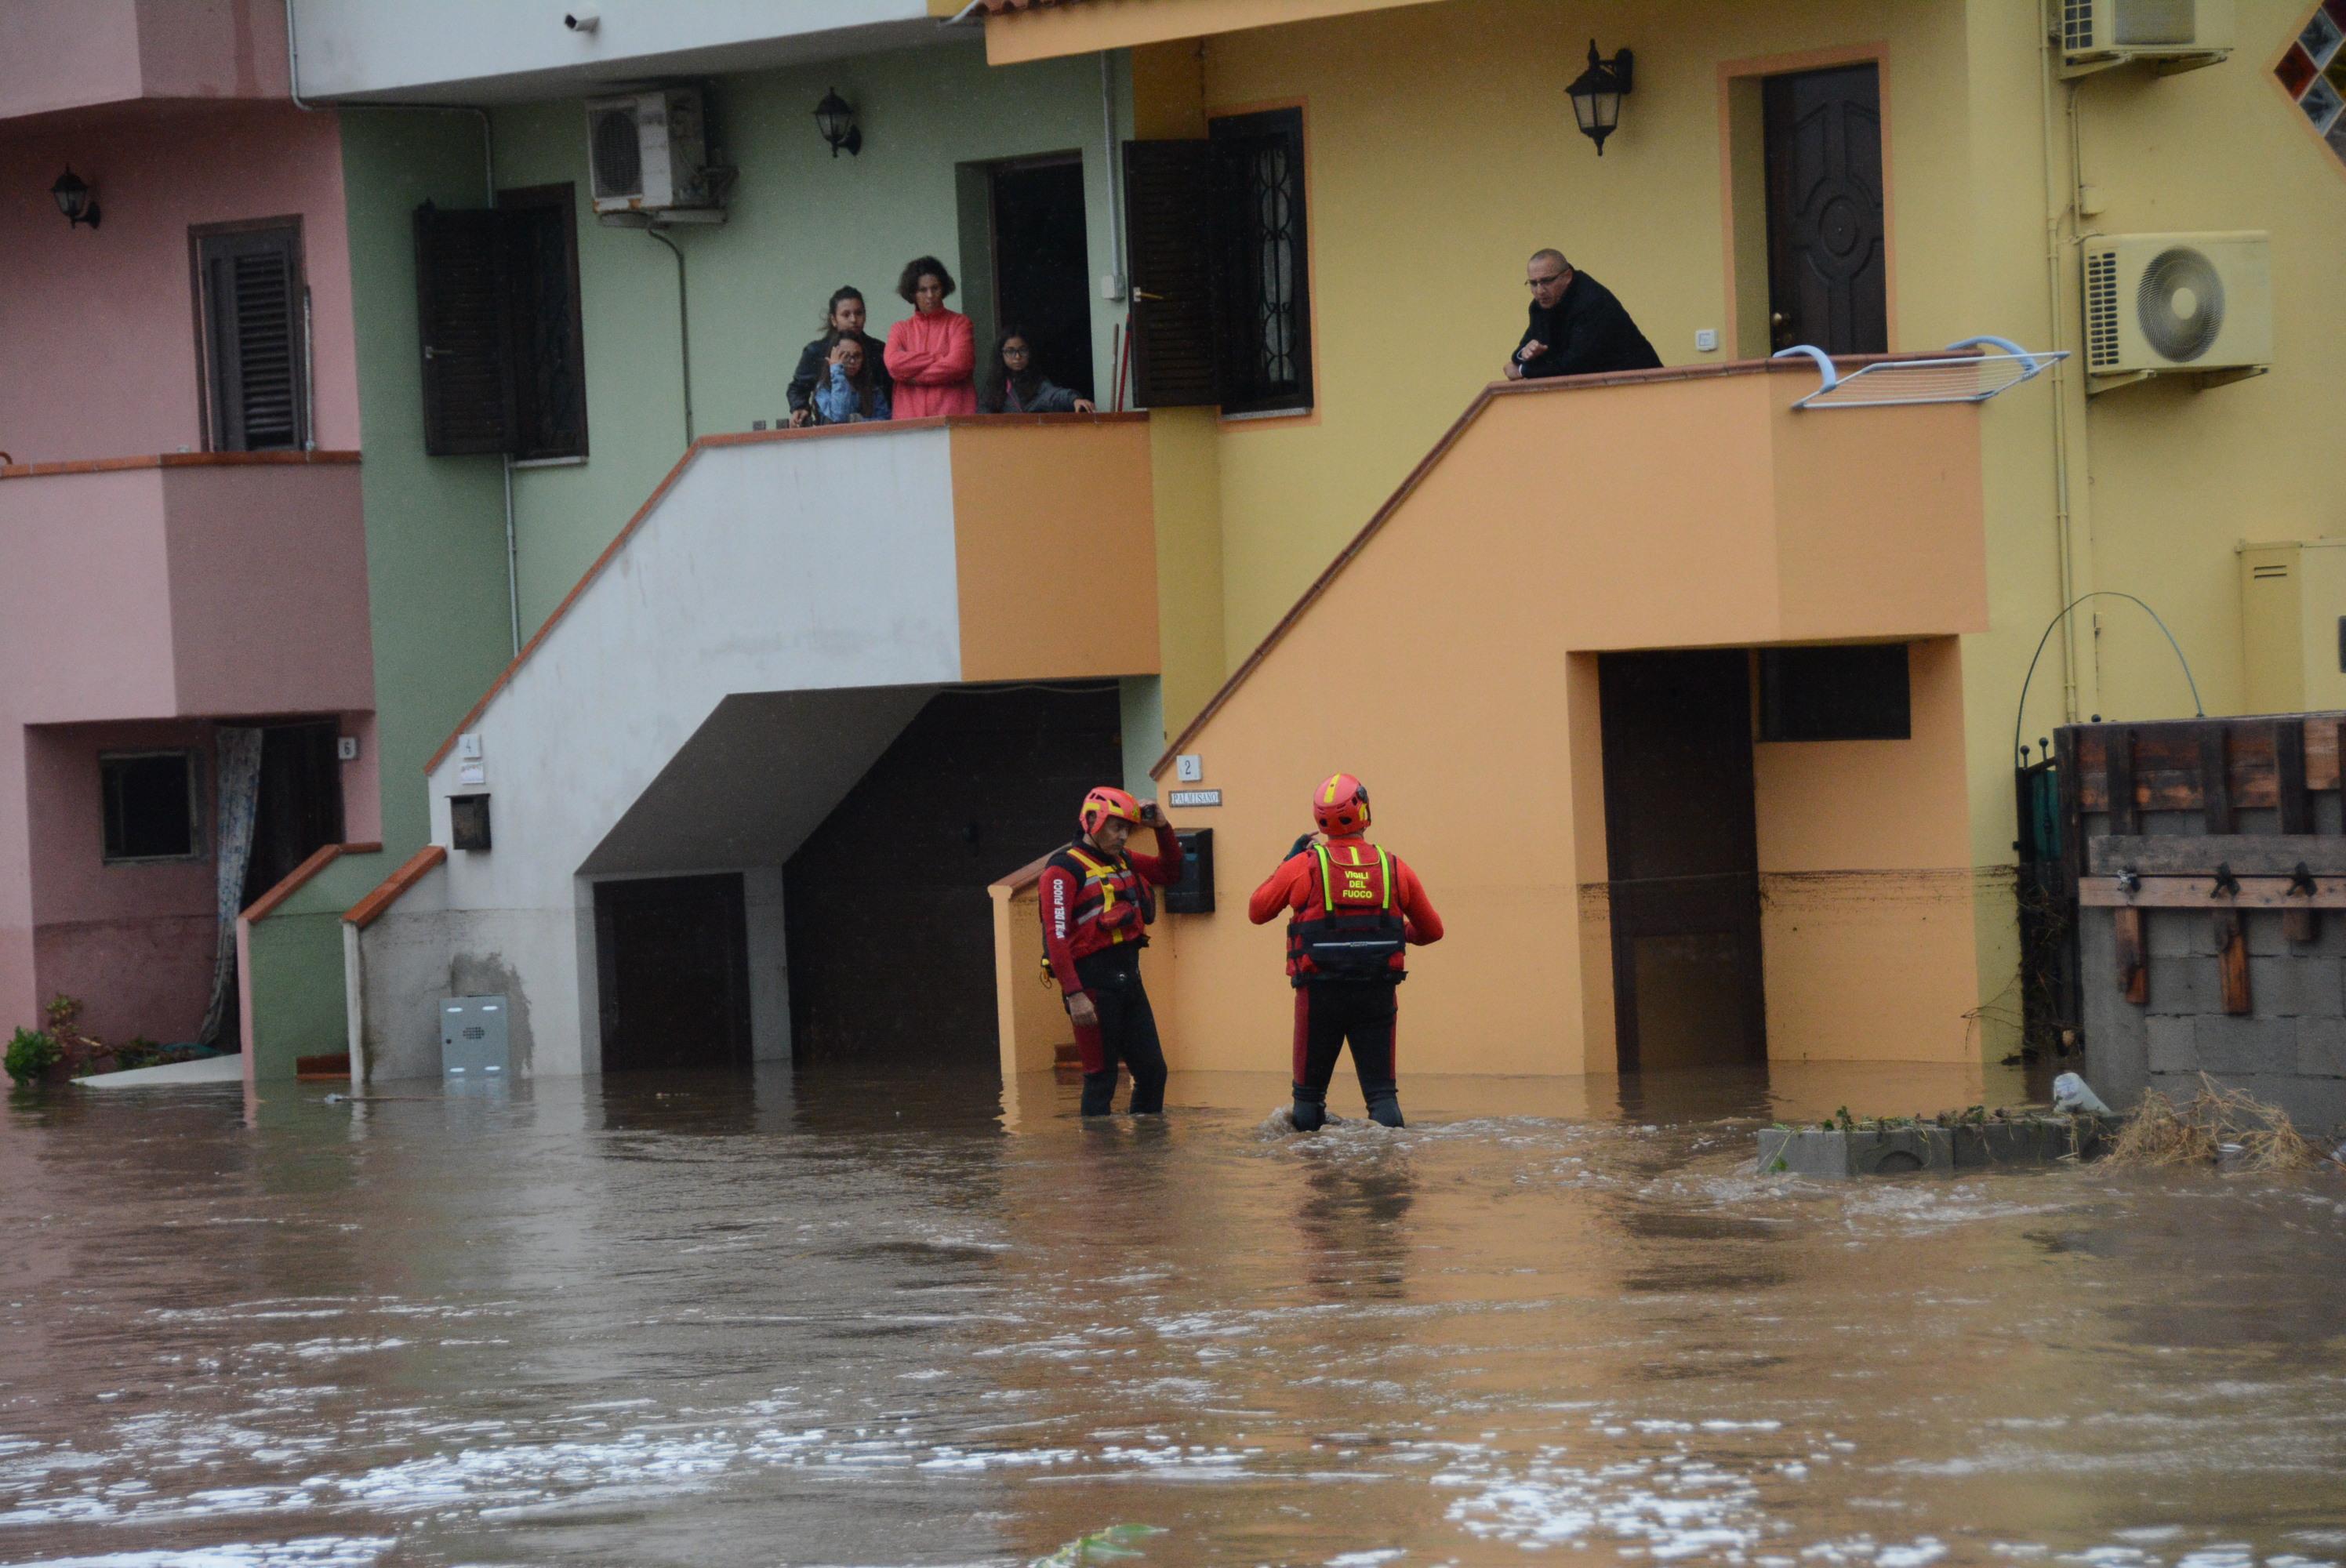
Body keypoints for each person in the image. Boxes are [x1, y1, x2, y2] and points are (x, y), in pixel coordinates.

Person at [1247, 773, 1443, 1132]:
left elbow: (1257, 912)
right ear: (1364, 811)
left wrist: (1286, 860)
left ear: (1319, 819)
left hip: (1319, 995)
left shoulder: (1302, 866)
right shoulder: (1395, 868)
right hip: (1377, 994)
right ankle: (1389, 1177)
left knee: (1307, 1101)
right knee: (1383, 1098)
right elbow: (1433, 931)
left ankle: (1315, 1182)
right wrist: (1395, 934)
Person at [1039, 786, 1182, 1117]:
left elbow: (1171, 873)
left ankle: (1141, 1160)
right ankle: (1101, 1164)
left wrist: (1163, 829)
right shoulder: (1062, 870)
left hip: (1129, 982)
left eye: (1127, 829)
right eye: (1116, 827)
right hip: (1091, 987)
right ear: (1092, 821)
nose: (1123, 837)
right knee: (1101, 1079)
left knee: (1152, 1073)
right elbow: (1055, 937)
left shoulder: (1125, 861)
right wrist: (1075, 995)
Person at [1505, 248, 1661, 381]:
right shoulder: (1541, 305)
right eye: (1533, 283)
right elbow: (1522, 349)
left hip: (1640, 384)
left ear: (1567, 277)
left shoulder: (1593, 302)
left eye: (1547, 281)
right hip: (1603, 388)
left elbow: (1574, 365)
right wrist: (1524, 355)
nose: (1539, 291)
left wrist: (1522, 371)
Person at [882, 256, 978, 417]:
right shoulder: (900, 329)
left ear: (943, 289)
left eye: (935, 288)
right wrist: (939, 357)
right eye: (923, 290)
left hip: (953, 418)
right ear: (913, 294)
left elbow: (958, 365)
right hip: (910, 421)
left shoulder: (960, 323)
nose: (930, 295)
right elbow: (893, 364)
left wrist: (914, 377)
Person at [788, 287, 891, 427]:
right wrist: (800, 407)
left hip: (874, 431)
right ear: (834, 319)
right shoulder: (817, 351)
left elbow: (889, 391)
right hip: (830, 431)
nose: (854, 320)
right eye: (846, 314)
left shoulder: (877, 349)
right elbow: (799, 387)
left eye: (859, 313)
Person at [979, 327, 1095, 414]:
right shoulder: (994, 385)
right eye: (1010, 351)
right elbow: (983, 415)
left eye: (1023, 350)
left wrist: (1074, 400)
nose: (1017, 357)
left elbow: (1054, 395)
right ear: (1001, 354)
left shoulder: (1037, 382)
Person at [811, 335, 891, 424]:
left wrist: (858, 421)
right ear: (833, 357)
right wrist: (837, 371)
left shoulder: (872, 389)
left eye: (857, 356)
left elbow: (885, 421)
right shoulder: (824, 388)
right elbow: (839, 417)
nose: (852, 361)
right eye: (845, 356)